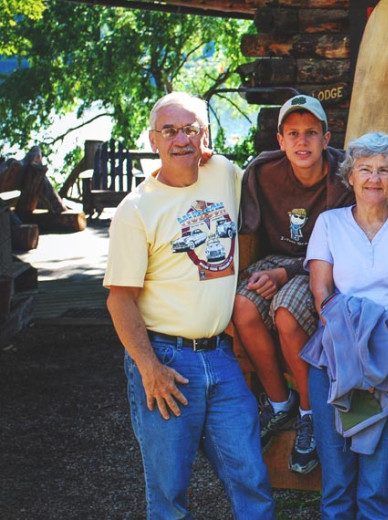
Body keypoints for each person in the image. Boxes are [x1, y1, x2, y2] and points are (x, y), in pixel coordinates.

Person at [105, 92, 274, 519]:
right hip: (166, 360)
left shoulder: (224, 172)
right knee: (169, 492)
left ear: (205, 136)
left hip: (220, 356)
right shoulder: (136, 210)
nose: (181, 140)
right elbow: (119, 299)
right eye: (170, 130)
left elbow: (275, 174)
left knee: (251, 479)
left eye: (191, 129)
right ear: (153, 139)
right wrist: (148, 367)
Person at [302, 132, 388, 519]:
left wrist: (371, 339)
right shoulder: (329, 223)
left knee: (378, 488)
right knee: (338, 485)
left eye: (384, 170)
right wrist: (356, 345)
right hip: (335, 359)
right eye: (365, 169)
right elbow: (322, 293)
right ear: (351, 177)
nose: (374, 178)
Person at [234, 94, 354, 475]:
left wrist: (285, 274)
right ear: (281, 141)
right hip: (274, 259)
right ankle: (279, 402)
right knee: (242, 307)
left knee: (286, 313)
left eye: (311, 133)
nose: (302, 142)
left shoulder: (343, 176)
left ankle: (308, 413)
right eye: (293, 134)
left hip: (322, 266)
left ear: (327, 138)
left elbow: (343, 245)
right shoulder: (261, 172)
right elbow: (245, 227)